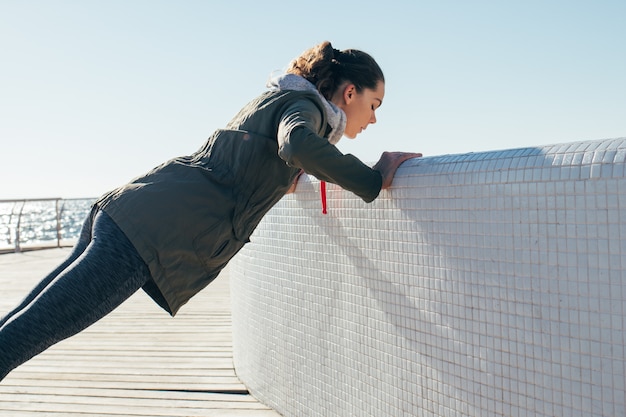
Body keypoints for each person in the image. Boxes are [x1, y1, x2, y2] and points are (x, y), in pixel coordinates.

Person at [0, 41, 421, 381]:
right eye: (375, 104)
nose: (373, 118)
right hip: (149, 232)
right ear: (350, 93)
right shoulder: (304, 110)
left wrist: (283, 175)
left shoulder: (281, 99)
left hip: (135, 208)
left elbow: (262, 156)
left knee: (28, 320)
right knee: (35, 329)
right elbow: (295, 144)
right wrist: (373, 178)